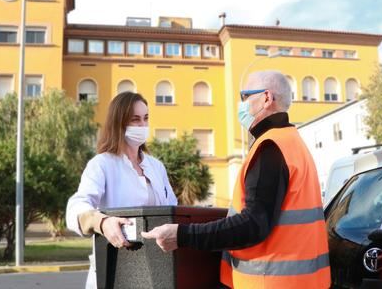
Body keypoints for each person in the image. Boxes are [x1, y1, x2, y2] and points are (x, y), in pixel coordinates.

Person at [142, 70, 330, 288]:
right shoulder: (293, 143)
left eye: (245, 96)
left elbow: (252, 224)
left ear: (267, 98)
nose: (241, 105)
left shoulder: (270, 148)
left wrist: (182, 235)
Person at [66, 92, 178, 289]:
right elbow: (75, 208)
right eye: (135, 120)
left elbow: (172, 210)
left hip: (158, 269)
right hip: (116, 269)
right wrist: (102, 222)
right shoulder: (102, 164)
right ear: (119, 123)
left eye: (145, 118)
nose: (142, 126)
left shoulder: (156, 167)